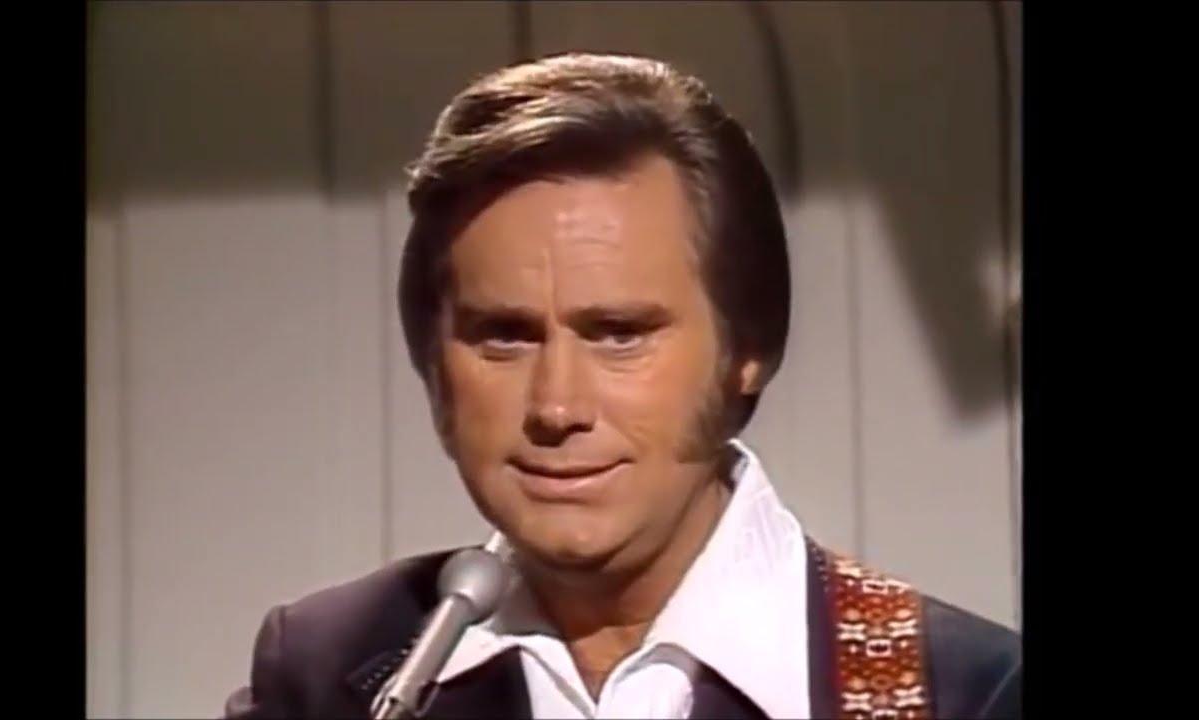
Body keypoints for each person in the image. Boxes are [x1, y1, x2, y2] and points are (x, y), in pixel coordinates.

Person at [223, 52, 1020, 720]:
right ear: (431, 361)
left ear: (749, 347)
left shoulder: (966, 693)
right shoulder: (327, 673)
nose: (556, 407)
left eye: (618, 334)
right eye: (504, 335)